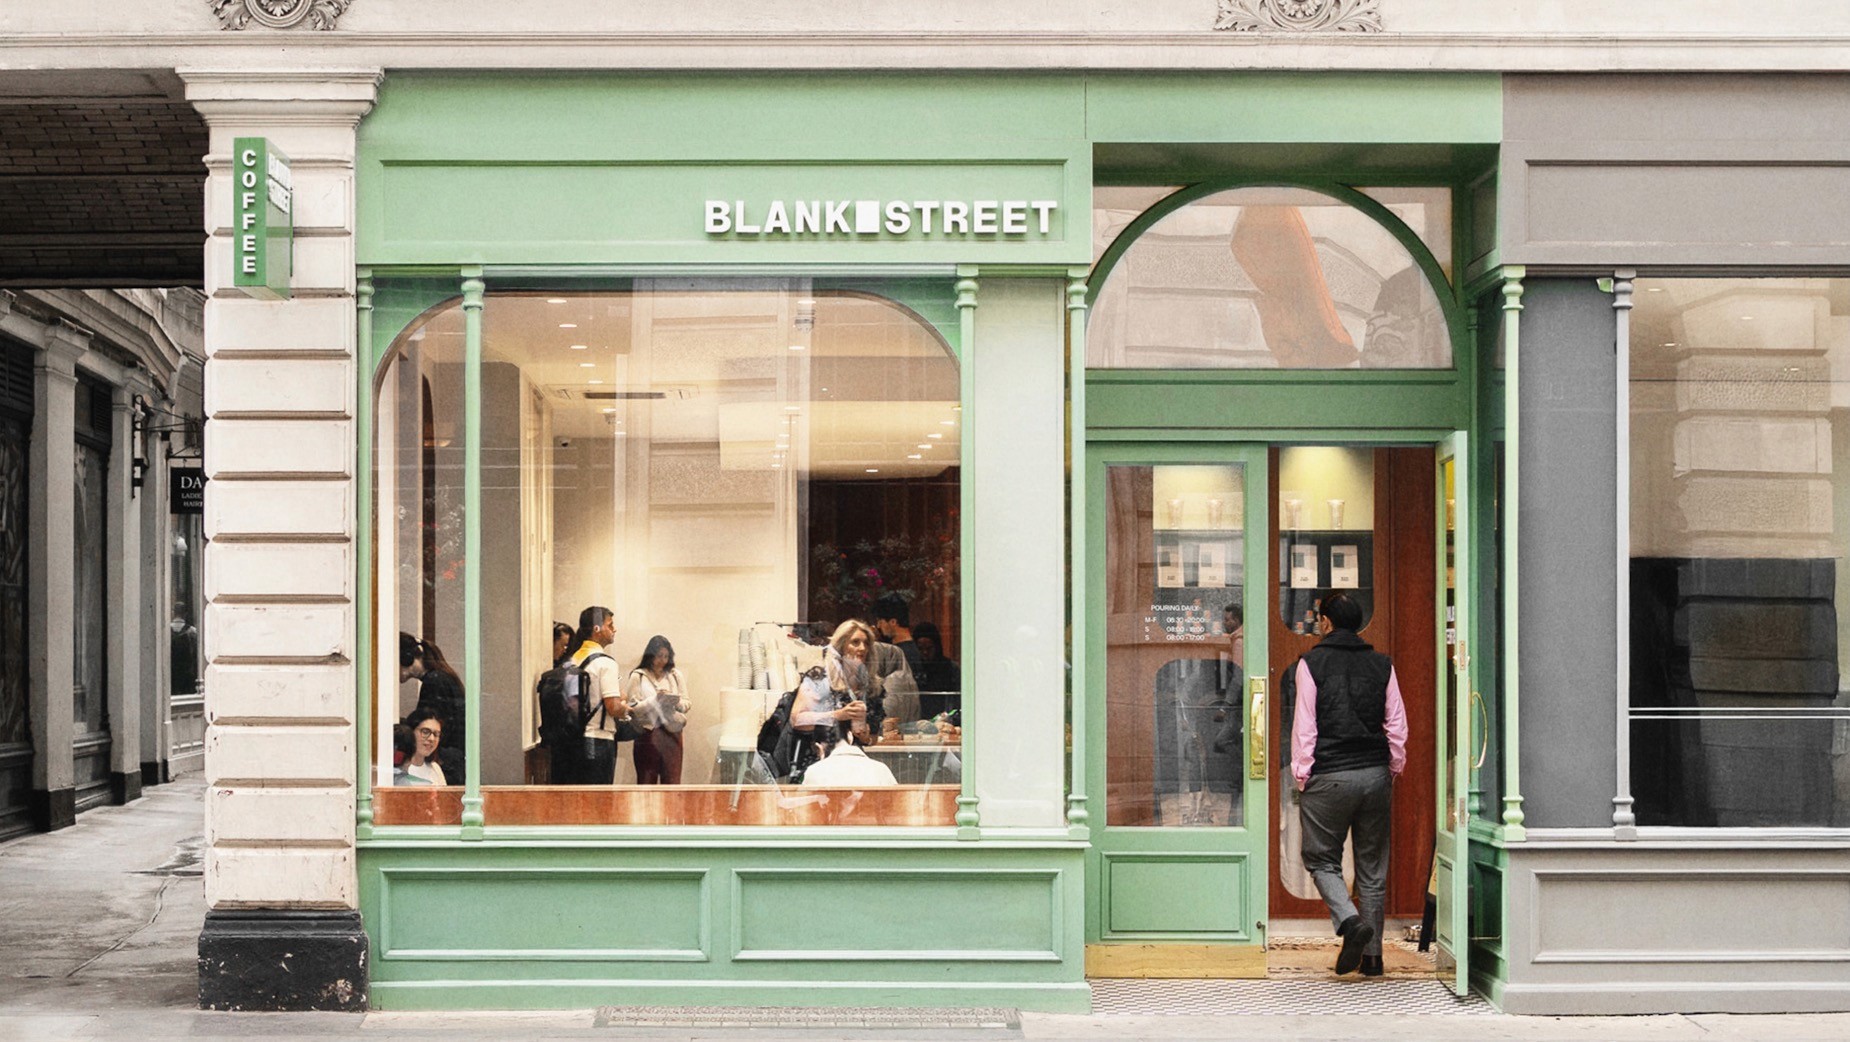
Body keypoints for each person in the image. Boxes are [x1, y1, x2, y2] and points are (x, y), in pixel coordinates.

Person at [1291, 590, 1408, 978]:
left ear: (1325, 622)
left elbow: (1305, 725)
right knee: (1373, 868)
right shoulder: (1382, 665)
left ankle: (1349, 921)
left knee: (1321, 859)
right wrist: (1392, 767)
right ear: (1359, 623)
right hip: (1375, 774)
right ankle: (1373, 960)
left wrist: (1302, 772)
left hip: (1329, 774)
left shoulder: (1311, 663)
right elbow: (1396, 725)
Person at [787, 619, 884, 781]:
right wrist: (839, 715)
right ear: (841, 646)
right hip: (816, 765)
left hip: (852, 769)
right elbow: (797, 719)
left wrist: (865, 735)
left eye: (866, 643)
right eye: (855, 642)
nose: (862, 648)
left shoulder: (871, 686)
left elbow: (873, 738)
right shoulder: (819, 677)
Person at [568, 605, 632, 785]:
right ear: (597, 629)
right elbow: (613, 707)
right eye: (610, 625)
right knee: (600, 800)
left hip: (574, 740)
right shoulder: (605, 663)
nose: (614, 629)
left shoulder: (573, 659)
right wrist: (626, 707)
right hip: (599, 740)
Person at [624, 635, 691, 785]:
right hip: (647, 733)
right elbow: (632, 708)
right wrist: (654, 700)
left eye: (666, 656)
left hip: (672, 732)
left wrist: (676, 702)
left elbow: (687, 702)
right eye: (659, 656)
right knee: (646, 780)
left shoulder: (674, 675)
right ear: (651, 655)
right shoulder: (638, 676)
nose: (663, 660)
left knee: (672, 780)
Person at [400, 633, 466, 784]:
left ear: (405, 658)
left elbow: (430, 722)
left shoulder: (434, 681)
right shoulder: (441, 678)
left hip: (447, 764)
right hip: (453, 762)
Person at [871, 593, 922, 676]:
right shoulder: (912, 649)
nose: (878, 626)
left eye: (880, 621)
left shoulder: (903, 653)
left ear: (893, 622)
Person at [398, 707, 448, 785]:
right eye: (425, 732)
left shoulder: (435, 768)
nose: (431, 738)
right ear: (410, 732)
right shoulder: (398, 769)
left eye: (436, 734)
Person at [912, 620, 961, 693]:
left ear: (936, 647)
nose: (925, 652)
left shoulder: (950, 667)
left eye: (929, 648)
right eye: (920, 649)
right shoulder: (914, 668)